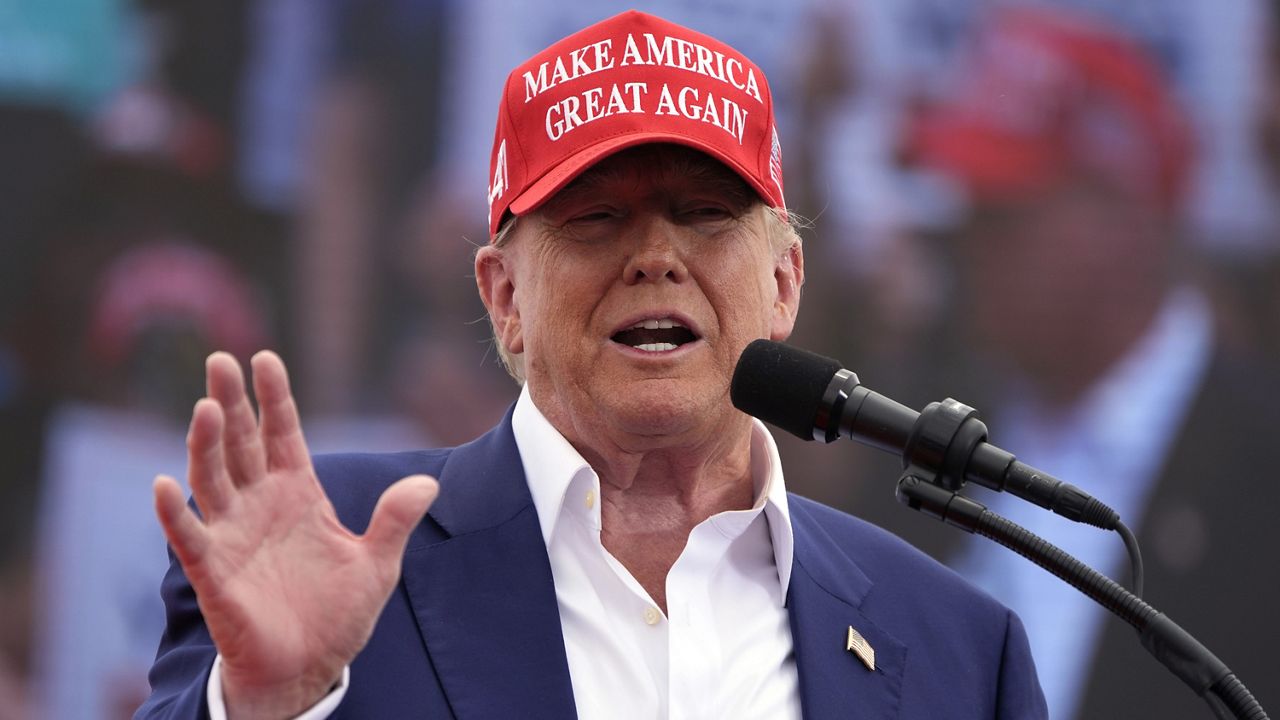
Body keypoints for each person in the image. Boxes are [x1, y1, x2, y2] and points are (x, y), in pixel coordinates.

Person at [136, 11, 1047, 718]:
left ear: (783, 284)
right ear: (503, 298)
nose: (655, 255)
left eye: (702, 214)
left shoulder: (958, 646)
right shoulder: (333, 549)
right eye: (596, 218)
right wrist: (260, 708)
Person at [909, 7, 1280, 719]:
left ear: (1122, 213)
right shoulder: (925, 427)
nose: (968, 243)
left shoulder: (1261, 464)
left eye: (1004, 212)